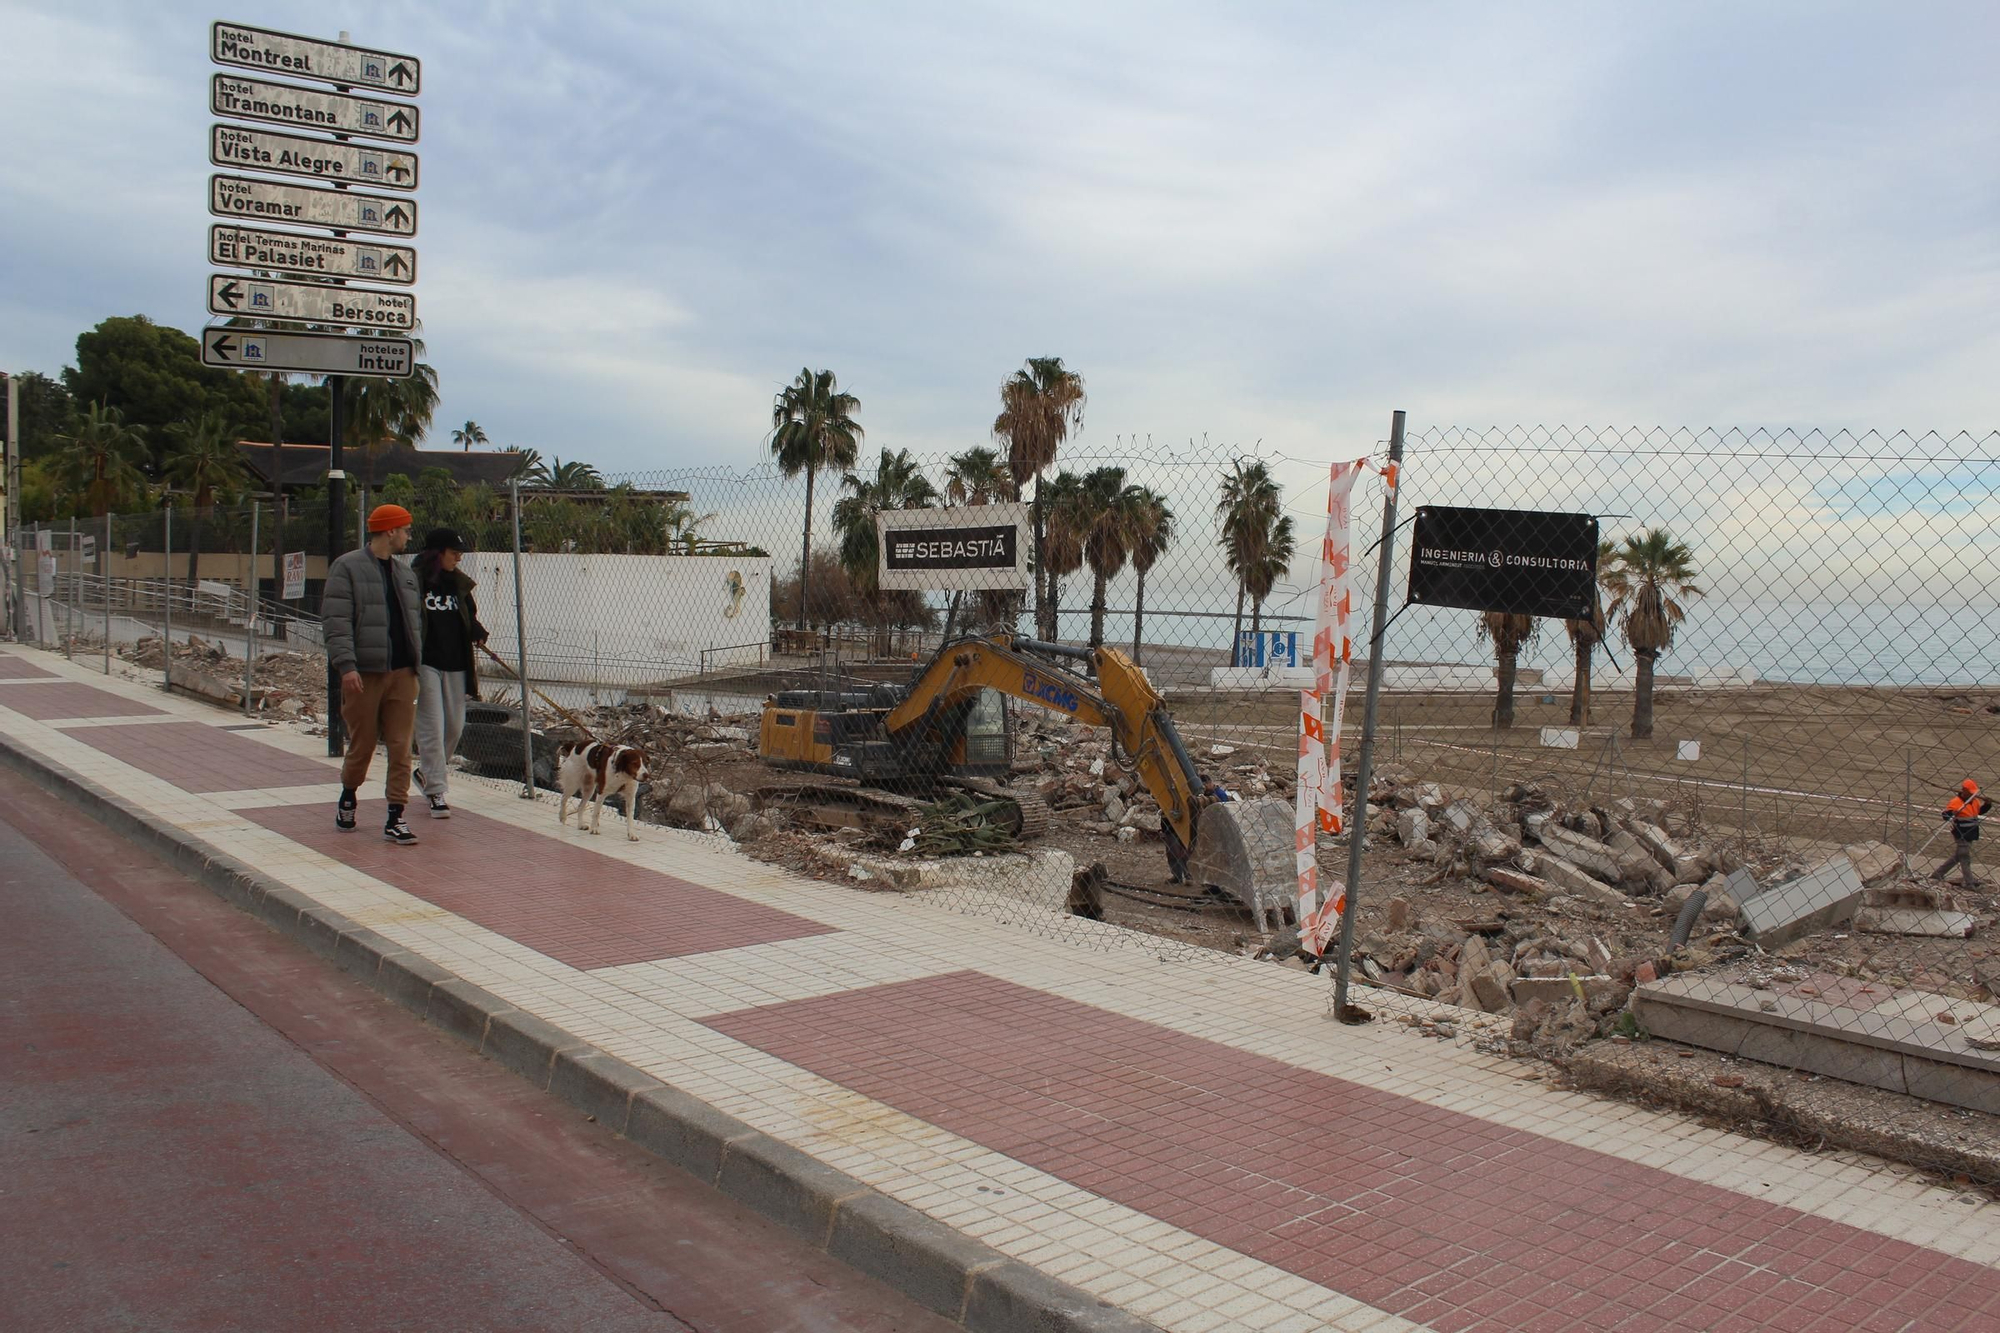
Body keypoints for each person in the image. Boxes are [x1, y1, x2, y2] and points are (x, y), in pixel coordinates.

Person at [323, 504, 424, 845]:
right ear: (390, 531)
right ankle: (349, 794)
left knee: (401, 746)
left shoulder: (406, 575)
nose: (409, 536)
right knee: (362, 744)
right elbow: (336, 623)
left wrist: (417, 665)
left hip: (403, 673)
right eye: (405, 529)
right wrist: (347, 666)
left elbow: (414, 624)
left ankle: (396, 815)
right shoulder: (347, 568)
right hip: (364, 674)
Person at [411, 527, 489, 818]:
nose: (458, 557)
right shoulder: (415, 582)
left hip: (456, 663)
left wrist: (477, 631)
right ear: (436, 552)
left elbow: (470, 617)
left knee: (454, 727)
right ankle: (436, 791)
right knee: (432, 726)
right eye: (453, 551)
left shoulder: (459, 585)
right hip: (425, 662)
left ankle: (425, 773)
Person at [1933, 778, 1992, 890]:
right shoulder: (1956, 802)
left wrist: (1987, 805)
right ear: (1964, 791)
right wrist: (1952, 813)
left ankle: (1937, 874)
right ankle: (1969, 883)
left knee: (1958, 856)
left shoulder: (1974, 801)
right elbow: (1945, 816)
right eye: (1970, 793)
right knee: (1965, 857)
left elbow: (1979, 812)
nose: (1973, 795)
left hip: (1971, 833)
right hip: (1960, 833)